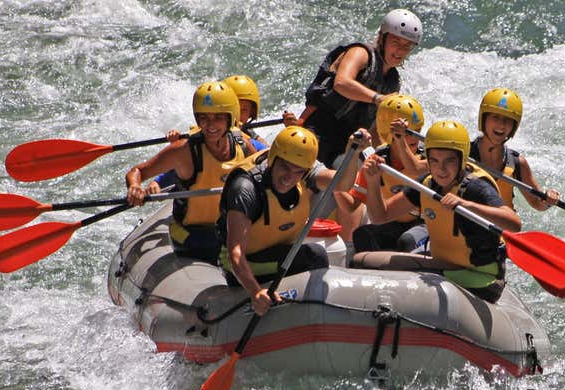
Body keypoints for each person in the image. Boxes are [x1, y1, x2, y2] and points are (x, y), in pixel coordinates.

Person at [361, 120, 521, 303]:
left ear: (462, 159)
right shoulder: (427, 183)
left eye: (449, 161)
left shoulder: (476, 187)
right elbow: (380, 216)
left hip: (480, 277)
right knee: (362, 261)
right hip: (448, 265)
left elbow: (514, 223)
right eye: (434, 161)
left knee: (384, 269)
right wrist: (373, 181)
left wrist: (467, 205)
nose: (441, 169)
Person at [217, 126, 371, 316]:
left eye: (298, 171)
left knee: (316, 253)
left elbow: (341, 184)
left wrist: (352, 152)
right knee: (314, 255)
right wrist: (256, 292)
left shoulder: (306, 169)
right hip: (245, 264)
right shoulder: (245, 188)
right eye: (285, 167)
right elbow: (235, 253)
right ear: (273, 159)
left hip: (277, 255)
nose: (289, 177)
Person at [125, 81, 255, 263]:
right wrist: (135, 187)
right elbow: (137, 171)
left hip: (228, 229)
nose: (210, 125)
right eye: (204, 118)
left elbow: (262, 177)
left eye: (217, 117)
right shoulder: (184, 151)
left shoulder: (242, 145)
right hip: (193, 235)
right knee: (219, 243)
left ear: (230, 117)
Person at [300, 8, 422, 167]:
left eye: (407, 46)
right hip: (317, 131)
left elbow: (377, 130)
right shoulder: (361, 53)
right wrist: (378, 98)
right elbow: (341, 83)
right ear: (382, 38)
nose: (400, 50)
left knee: (376, 169)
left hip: (347, 144)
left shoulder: (393, 81)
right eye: (395, 42)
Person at [334, 93, 428, 257]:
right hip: (391, 223)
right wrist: (336, 183)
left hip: (425, 225)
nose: (414, 138)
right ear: (389, 134)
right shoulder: (377, 161)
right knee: (362, 235)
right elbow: (351, 206)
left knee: (407, 241)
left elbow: (415, 170)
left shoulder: (427, 160)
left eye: (416, 131)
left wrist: (401, 139)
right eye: (407, 134)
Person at [471, 88, 559, 211]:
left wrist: (548, 199)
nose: (501, 125)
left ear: (514, 126)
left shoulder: (517, 163)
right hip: (466, 228)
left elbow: (537, 203)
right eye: (495, 117)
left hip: (501, 227)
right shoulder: (463, 155)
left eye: (507, 120)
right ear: (484, 119)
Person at [223, 74, 268, 150]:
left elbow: (268, 150)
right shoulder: (211, 129)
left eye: (244, 110)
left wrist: (291, 128)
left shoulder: (248, 132)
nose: (238, 115)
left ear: (251, 113)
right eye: (234, 109)